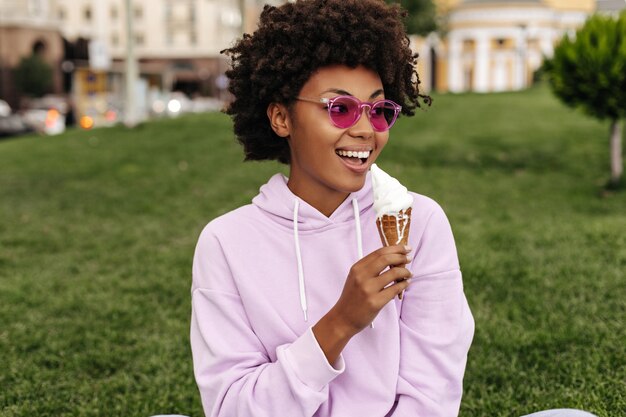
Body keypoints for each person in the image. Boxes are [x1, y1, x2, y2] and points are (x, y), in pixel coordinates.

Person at [181, 1, 597, 417]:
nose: (364, 130)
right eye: (339, 108)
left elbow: (431, 395)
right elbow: (233, 408)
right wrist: (340, 322)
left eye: (378, 110)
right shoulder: (227, 243)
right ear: (280, 117)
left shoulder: (420, 223)